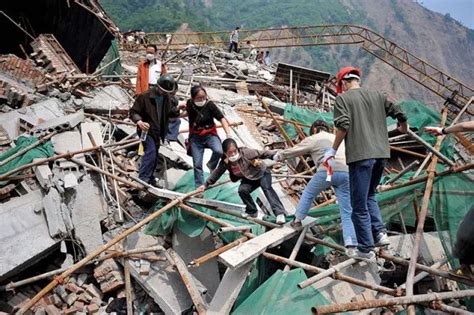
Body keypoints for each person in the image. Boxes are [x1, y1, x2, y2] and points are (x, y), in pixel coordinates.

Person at [325, 66, 408, 261]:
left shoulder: (343, 99)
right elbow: (398, 111)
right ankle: (380, 233)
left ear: (344, 82)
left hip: (361, 156)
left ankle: (366, 248)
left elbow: (343, 125)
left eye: (341, 86)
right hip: (381, 155)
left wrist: (333, 150)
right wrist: (403, 125)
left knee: (358, 204)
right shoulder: (377, 95)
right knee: (370, 195)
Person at [274, 120, 358, 250]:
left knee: (309, 193)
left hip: (327, 171)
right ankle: (351, 243)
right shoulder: (338, 138)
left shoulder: (314, 138)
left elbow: (296, 150)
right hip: (346, 173)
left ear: (313, 129)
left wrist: (279, 156)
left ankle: (297, 220)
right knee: (346, 211)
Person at [198, 138, 287, 224]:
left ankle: (280, 213)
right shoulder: (225, 162)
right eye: (230, 153)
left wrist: (274, 155)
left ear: (237, 149)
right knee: (242, 190)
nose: (233, 154)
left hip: (262, 173)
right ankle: (252, 211)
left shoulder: (246, 153)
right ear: (225, 153)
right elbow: (217, 173)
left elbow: (261, 153)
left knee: (266, 188)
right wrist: (205, 185)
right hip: (249, 178)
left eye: (235, 151)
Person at [129, 74, 185, 185]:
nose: (164, 93)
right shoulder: (145, 97)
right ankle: (143, 178)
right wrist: (139, 122)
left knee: (154, 155)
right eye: (163, 91)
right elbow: (133, 112)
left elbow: (170, 113)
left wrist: (178, 109)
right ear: (157, 86)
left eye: (167, 92)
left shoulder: (167, 98)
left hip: (158, 131)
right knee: (150, 153)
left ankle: (150, 177)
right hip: (146, 131)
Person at [186, 86, 232, 187]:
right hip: (195, 137)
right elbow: (186, 113)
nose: (202, 100)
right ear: (193, 98)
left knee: (218, 151)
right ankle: (199, 188)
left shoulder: (210, 105)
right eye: (199, 98)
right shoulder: (190, 104)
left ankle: (211, 164)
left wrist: (228, 134)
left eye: (204, 97)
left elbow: (222, 119)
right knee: (197, 164)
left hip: (210, 134)